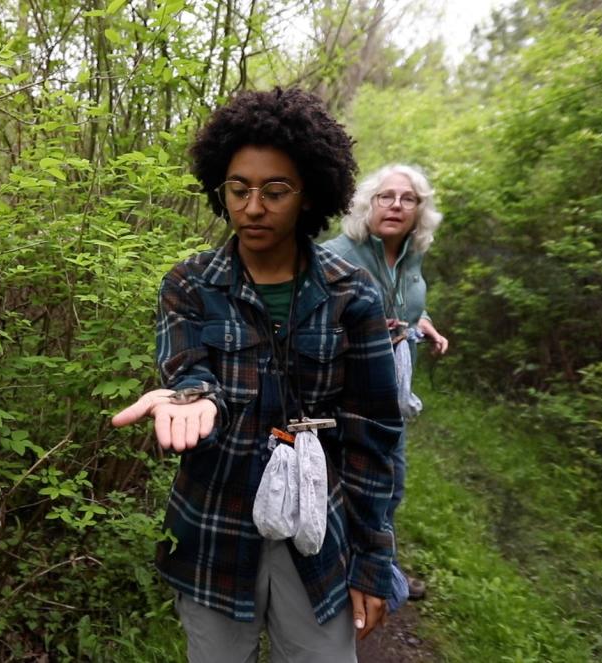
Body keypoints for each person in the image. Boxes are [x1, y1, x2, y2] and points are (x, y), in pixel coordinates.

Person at [111, 88, 404, 663]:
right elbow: (189, 367)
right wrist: (193, 397)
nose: (253, 208)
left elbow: (374, 436)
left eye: (275, 191)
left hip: (320, 533)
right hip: (216, 526)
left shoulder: (351, 294)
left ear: (309, 195)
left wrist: (374, 561)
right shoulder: (189, 284)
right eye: (239, 190)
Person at [323, 164, 448, 602]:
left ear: (419, 211)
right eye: (386, 196)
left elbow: (411, 306)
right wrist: (365, 329)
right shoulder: (338, 254)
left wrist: (424, 325)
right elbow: (309, 322)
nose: (396, 205)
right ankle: (332, 577)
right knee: (345, 484)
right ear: (368, 204)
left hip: (391, 397)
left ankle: (379, 571)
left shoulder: (412, 258)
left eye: (408, 198)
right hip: (344, 395)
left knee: (390, 484)